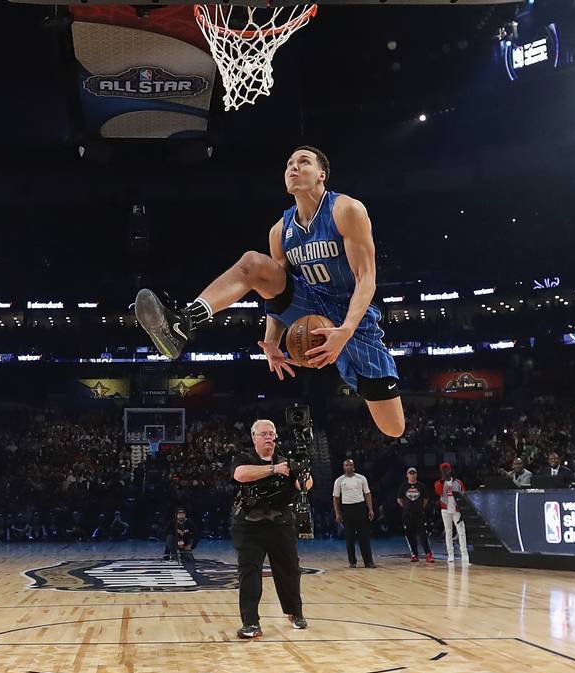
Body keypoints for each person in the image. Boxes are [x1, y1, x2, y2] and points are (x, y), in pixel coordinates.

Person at [134, 146, 405, 438]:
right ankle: (184, 322)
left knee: (393, 428)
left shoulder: (346, 210)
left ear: (322, 175)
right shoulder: (280, 230)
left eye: (303, 162)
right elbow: (275, 294)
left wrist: (346, 330)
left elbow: (366, 278)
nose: (293, 167)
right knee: (254, 263)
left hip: (353, 317)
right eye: (289, 163)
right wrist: (272, 342)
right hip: (310, 303)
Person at [230, 418, 312, 638]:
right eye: (263, 433)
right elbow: (240, 475)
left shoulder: (286, 460)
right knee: (249, 571)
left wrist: (302, 471)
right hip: (249, 525)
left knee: (289, 569)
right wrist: (273, 469)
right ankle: (251, 623)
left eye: (271, 433)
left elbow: (305, 485)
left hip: (280, 523)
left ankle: (296, 613)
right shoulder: (244, 458)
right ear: (254, 438)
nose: (268, 437)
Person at [332, 459, 375, 568]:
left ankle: (369, 561)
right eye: (347, 465)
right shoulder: (339, 481)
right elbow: (336, 498)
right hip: (347, 509)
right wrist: (337, 513)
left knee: (364, 536)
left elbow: (367, 494)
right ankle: (352, 562)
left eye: (350, 465)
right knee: (350, 537)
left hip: (360, 507)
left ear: (354, 466)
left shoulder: (361, 478)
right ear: (343, 467)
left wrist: (370, 509)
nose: (349, 467)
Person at [434, 463, 469, 565]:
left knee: (461, 531)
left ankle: (464, 554)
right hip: (445, 510)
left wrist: (462, 510)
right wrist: (442, 482)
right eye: (443, 470)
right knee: (448, 531)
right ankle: (450, 554)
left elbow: (463, 495)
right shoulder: (438, 483)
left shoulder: (458, 482)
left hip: (456, 510)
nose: (445, 471)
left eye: (447, 469)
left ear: (450, 470)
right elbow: (438, 492)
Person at [397, 467, 433, 562]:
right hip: (407, 514)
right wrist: (406, 507)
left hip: (419, 514)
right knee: (410, 534)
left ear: (416, 475)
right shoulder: (403, 486)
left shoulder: (421, 486)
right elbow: (399, 499)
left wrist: (420, 507)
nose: (412, 475)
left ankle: (428, 554)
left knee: (423, 534)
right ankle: (414, 554)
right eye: (410, 473)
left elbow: (426, 499)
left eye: (414, 473)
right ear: (407, 475)